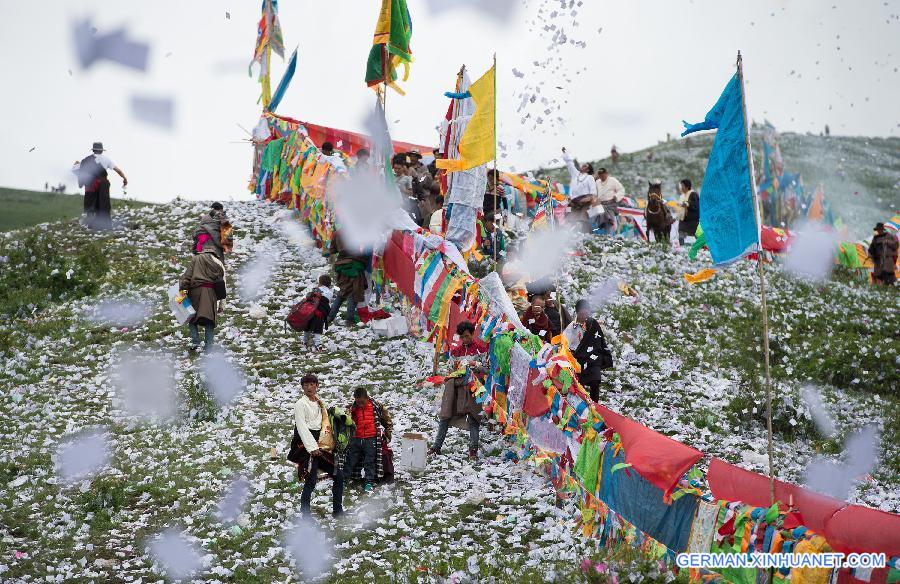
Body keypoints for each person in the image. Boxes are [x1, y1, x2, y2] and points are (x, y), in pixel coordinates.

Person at [429, 321, 487, 460]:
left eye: (467, 336)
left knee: (474, 418)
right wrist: (456, 369)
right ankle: (436, 447)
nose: (465, 340)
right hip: (457, 387)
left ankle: (473, 450)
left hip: (474, 387)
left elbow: (487, 369)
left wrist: (475, 365)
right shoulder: (455, 352)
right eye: (463, 337)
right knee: (445, 415)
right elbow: (450, 370)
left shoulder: (480, 350)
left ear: (473, 334)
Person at [292, 374, 344, 518]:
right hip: (307, 445)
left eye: (312, 384)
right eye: (306, 385)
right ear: (302, 387)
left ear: (317, 385)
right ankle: (305, 516)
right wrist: (312, 448)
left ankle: (338, 511)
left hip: (322, 444)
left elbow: (325, 424)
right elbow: (301, 427)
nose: (309, 387)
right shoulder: (300, 404)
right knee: (311, 480)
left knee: (338, 476)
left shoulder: (320, 403)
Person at [179, 240, 225, 351]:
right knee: (209, 320)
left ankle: (196, 343)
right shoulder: (218, 262)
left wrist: (182, 291)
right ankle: (208, 347)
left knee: (192, 317)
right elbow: (222, 281)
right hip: (210, 293)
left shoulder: (195, 259)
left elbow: (187, 277)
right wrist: (221, 303)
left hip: (195, 291)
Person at [345, 387, 394, 492]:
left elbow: (386, 419)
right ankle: (344, 479)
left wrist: (388, 432)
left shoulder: (376, 407)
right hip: (356, 439)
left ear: (367, 398)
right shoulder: (352, 408)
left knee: (369, 462)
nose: (360, 405)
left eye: (362, 402)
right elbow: (347, 422)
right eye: (358, 403)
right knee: (351, 460)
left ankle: (369, 482)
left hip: (371, 439)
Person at [72, 142, 127, 229]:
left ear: (93, 150)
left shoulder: (86, 160)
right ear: (102, 151)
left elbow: (77, 169)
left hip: (90, 184)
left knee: (90, 204)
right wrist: (124, 178)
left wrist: (76, 163)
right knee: (103, 203)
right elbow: (118, 170)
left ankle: (91, 225)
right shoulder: (106, 159)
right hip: (103, 184)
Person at [564, 299, 611, 402]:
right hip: (578, 359)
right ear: (577, 313)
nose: (584, 316)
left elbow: (599, 340)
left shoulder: (592, 324)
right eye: (582, 314)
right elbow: (565, 342)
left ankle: (595, 403)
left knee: (595, 380)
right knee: (579, 384)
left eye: (586, 313)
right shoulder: (572, 327)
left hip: (592, 359)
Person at [327, 231, 369, 327]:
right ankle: (349, 320)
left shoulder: (337, 233)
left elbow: (332, 250)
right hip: (355, 265)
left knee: (341, 294)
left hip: (341, 266)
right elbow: (365, 250)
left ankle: (329, 317)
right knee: (353, 294)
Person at [561, 147, 597, 232]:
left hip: (585, 203)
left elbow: (593, 192)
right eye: (583, 165)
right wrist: (565, 153)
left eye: (585, 166)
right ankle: (570, 237)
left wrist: (588, 199)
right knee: (568, 218)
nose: (582, 166)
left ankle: (587, 237)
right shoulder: (575, 174)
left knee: (584, 221)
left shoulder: (590, 178)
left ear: (588, 170)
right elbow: (570, 163)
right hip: (573, 202)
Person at [301, 274, 333, 349]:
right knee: (318, 328)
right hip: (320, 313)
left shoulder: (314, 289)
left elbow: (306, 298)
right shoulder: (330, 292)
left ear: (320, 282)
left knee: (307, 327)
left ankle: (304, 341)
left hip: (310, 311)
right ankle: (317, 344)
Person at [594, 167, 625, 233]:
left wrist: (616, 197)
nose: (601, 176)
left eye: (603, 174)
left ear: (606, 174)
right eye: (600, 175)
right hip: (600, 205)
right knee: (592, 217)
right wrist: (595, 200)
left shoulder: (613, 180)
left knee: (609, 222)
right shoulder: (597, 182)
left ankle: (610, 237)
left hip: (610, 204)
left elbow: (621, 190)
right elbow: (594, 193)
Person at [677, 179, 701, 245]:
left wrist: (688, 204)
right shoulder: (683, 195)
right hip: (684, 221)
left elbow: (695, 205)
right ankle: (681, 247)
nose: (681, 188)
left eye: (682, 186)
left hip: (692, 221)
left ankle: (702, 246)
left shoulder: (693, 194)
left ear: (687, 187)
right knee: (681, 232)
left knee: (697, 235)